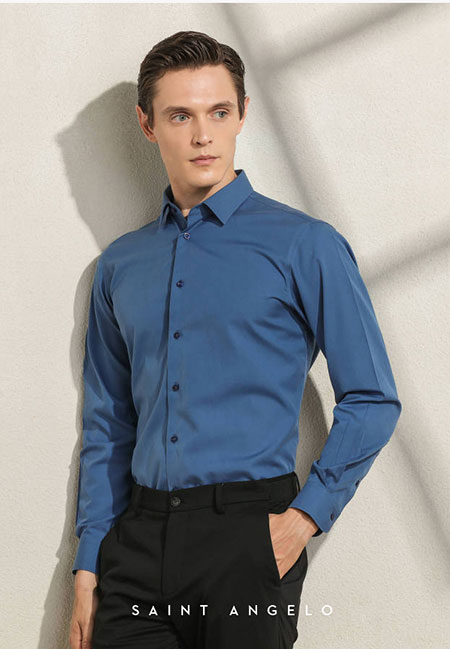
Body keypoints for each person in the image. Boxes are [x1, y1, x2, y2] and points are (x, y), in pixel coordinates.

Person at [69, 30, 402, 649]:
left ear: (242, 114)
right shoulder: (120, 266)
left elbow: (373, 398)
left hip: (249, 539)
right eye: (180, 116)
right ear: (147, 124)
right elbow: (109, 422)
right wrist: (89, 565)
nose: (203, 136)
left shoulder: (305, 245)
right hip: (135, 544)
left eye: (219, 112)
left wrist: (302, 521)